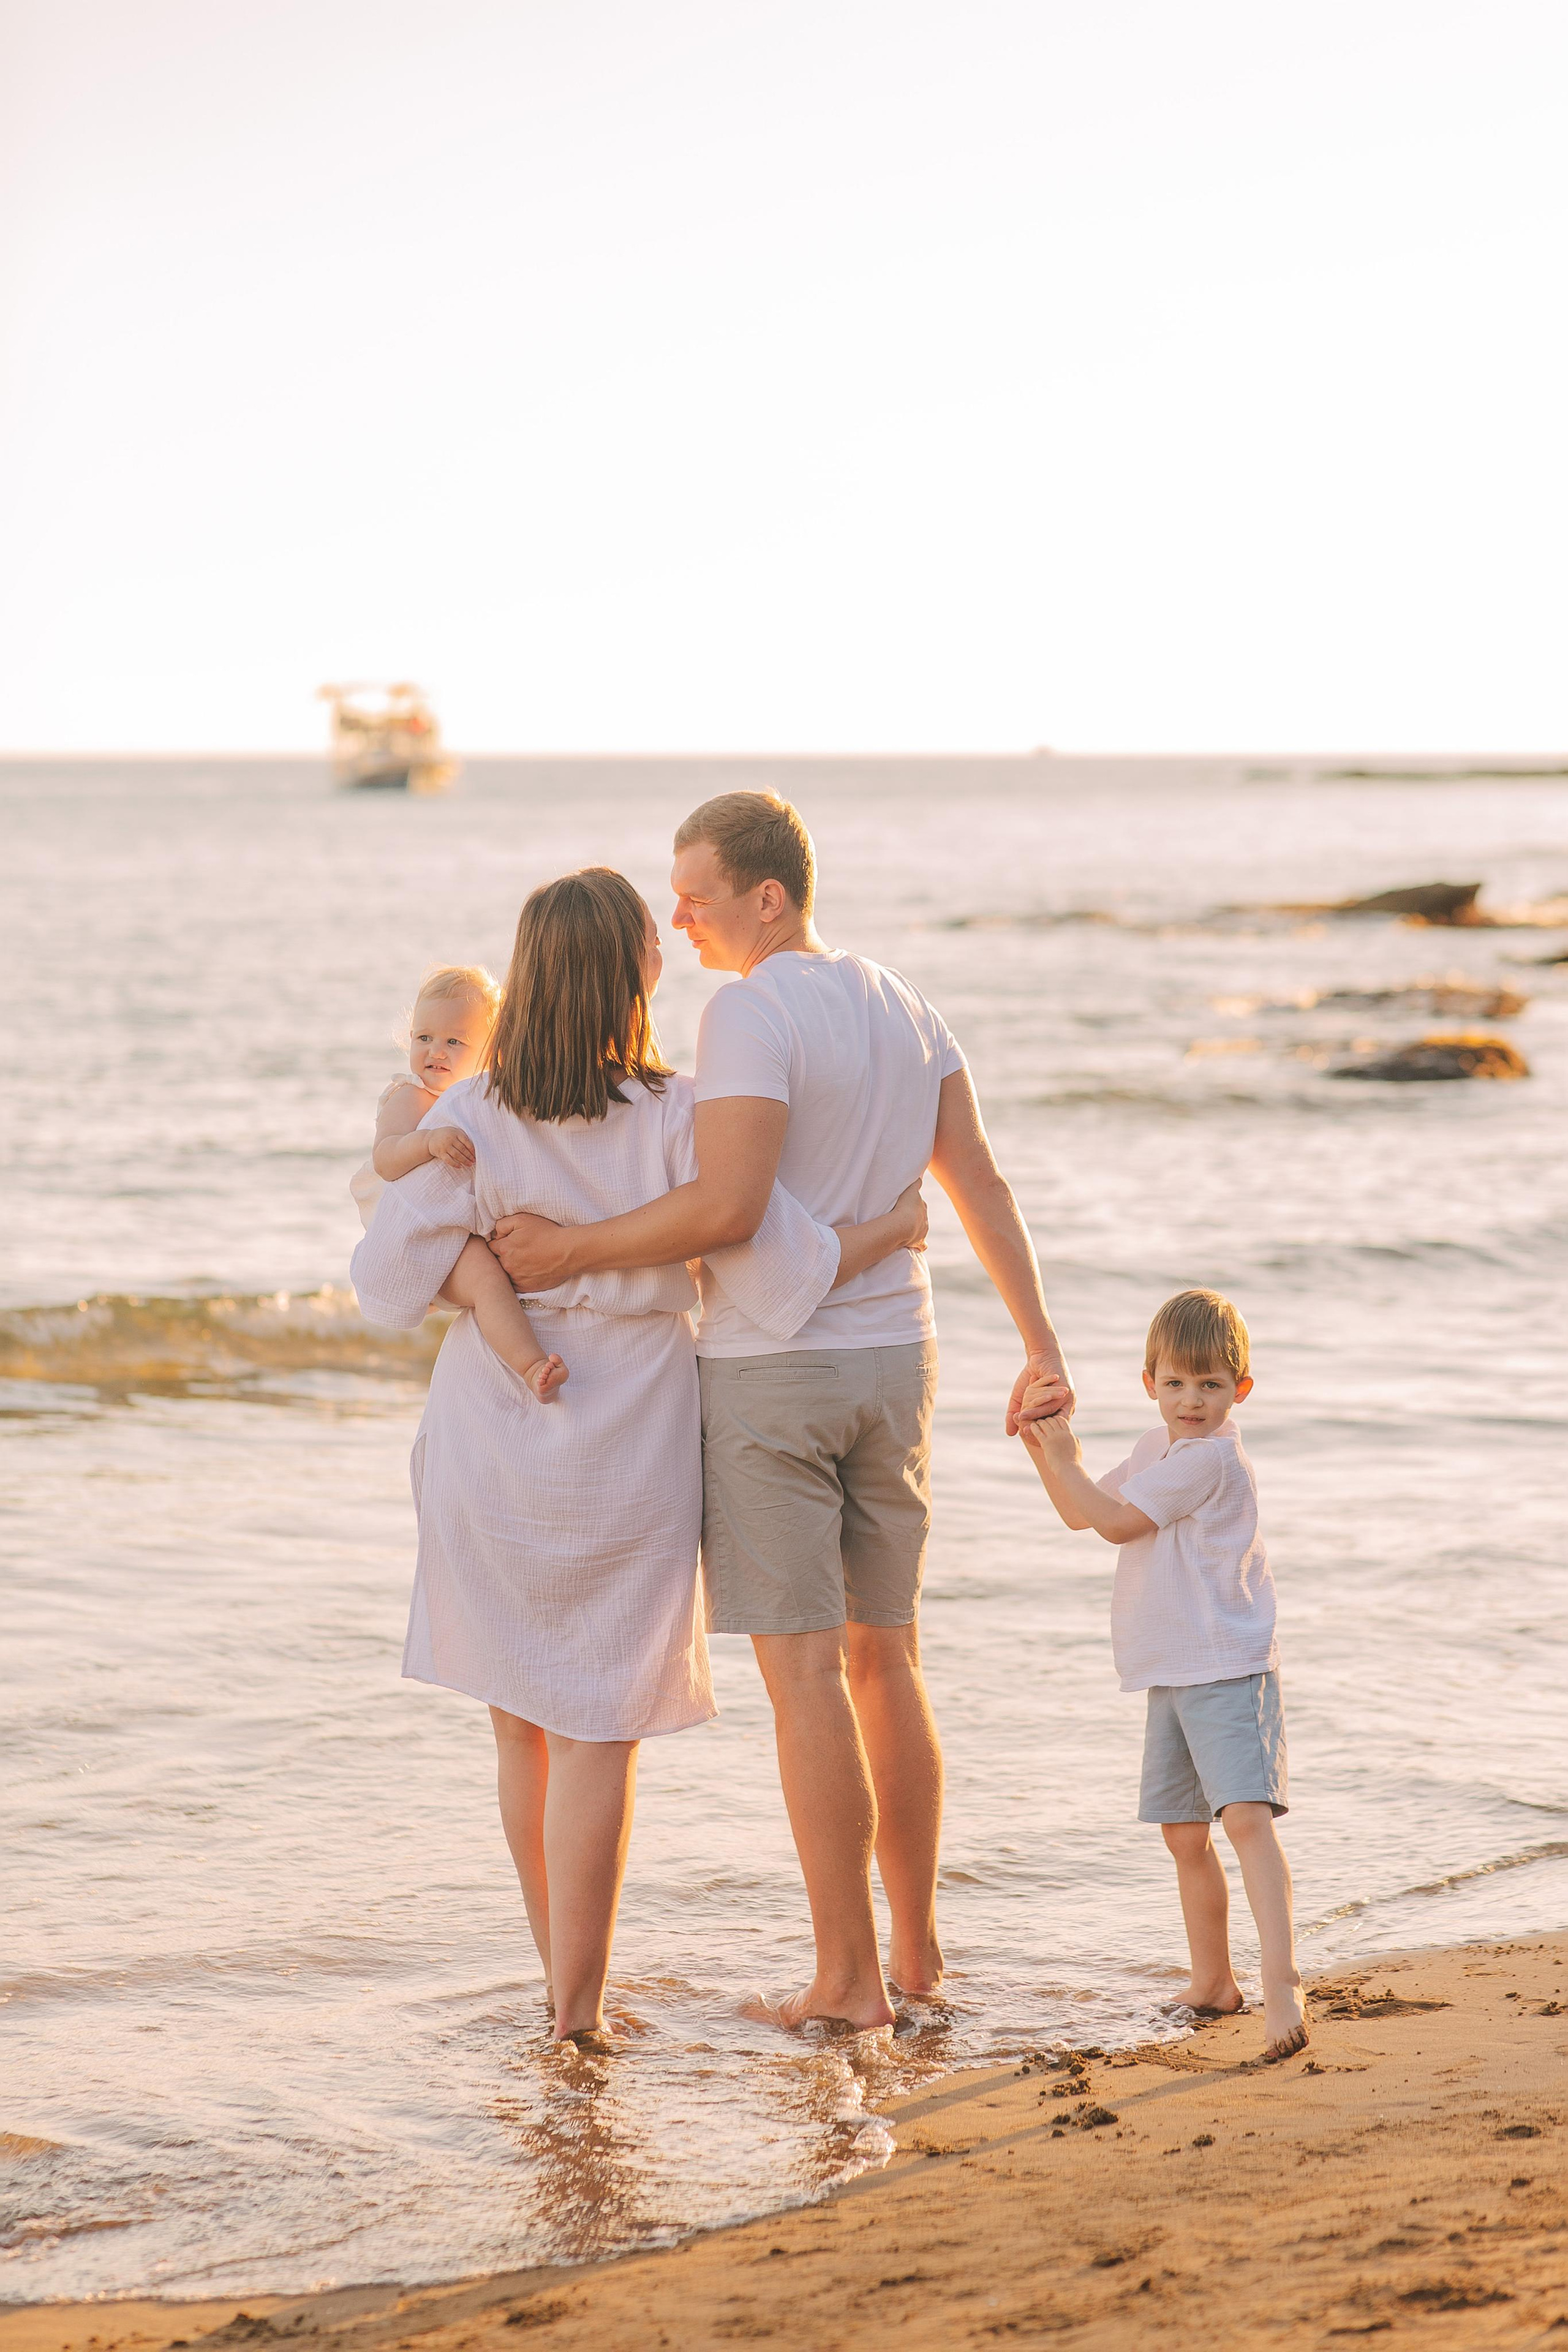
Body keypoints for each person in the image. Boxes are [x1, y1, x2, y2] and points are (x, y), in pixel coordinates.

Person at [490, 793, 1074, 2032]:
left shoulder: (750, 1011)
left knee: (806, 1674)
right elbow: (978, 1181)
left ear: (768, 896)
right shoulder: (904, 1003)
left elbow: (729, 1210)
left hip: (777, 1372)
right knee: (888, 1658)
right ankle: (915, 1955)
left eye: (696, 893)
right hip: (897, 1360)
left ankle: (847, 1981)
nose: (678, 917)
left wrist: (570, 1248)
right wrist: (1038, 1344)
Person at [350, 870, 926, 2046]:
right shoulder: (680, 1114)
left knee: (519, 1722)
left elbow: (383, 1282)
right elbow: (783, 1264)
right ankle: (581, 2009)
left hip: (492, 1426)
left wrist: (470, 1256)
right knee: (596, 1727)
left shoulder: (477, 1108)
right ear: (640, 973)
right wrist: (897, 1229)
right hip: (633, 1428)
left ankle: (563, 1999)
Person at [1018, 1288, 1310, 2064]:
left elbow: (1116, 1523)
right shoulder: (1157, 1448)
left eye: (1210, 1384)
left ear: (1239, 1389)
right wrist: (1044, 1445)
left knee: (1244, 1821)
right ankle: (1212, 1981)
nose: (1191, 1400)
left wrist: (1064, 1457)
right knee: (1184, 1833)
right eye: (1175, 1383)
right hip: (1172, 1669)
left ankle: (1280, 1982)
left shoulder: (1211, 1459)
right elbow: (1081, 1511)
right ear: (1148, 1382)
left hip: (1226, 1664)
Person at [350, 963, 567, 1403]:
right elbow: (386, 1158)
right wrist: (428, 1142)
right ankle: (530, 1367)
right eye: (424, 1038)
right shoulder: (412, 1096)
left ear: (491, 1051)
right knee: (488, 1283)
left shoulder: (479, 1098)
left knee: (501, 1274)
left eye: (454, 1041)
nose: (435, 1051)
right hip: (416, 1233)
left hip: (456, 1226)